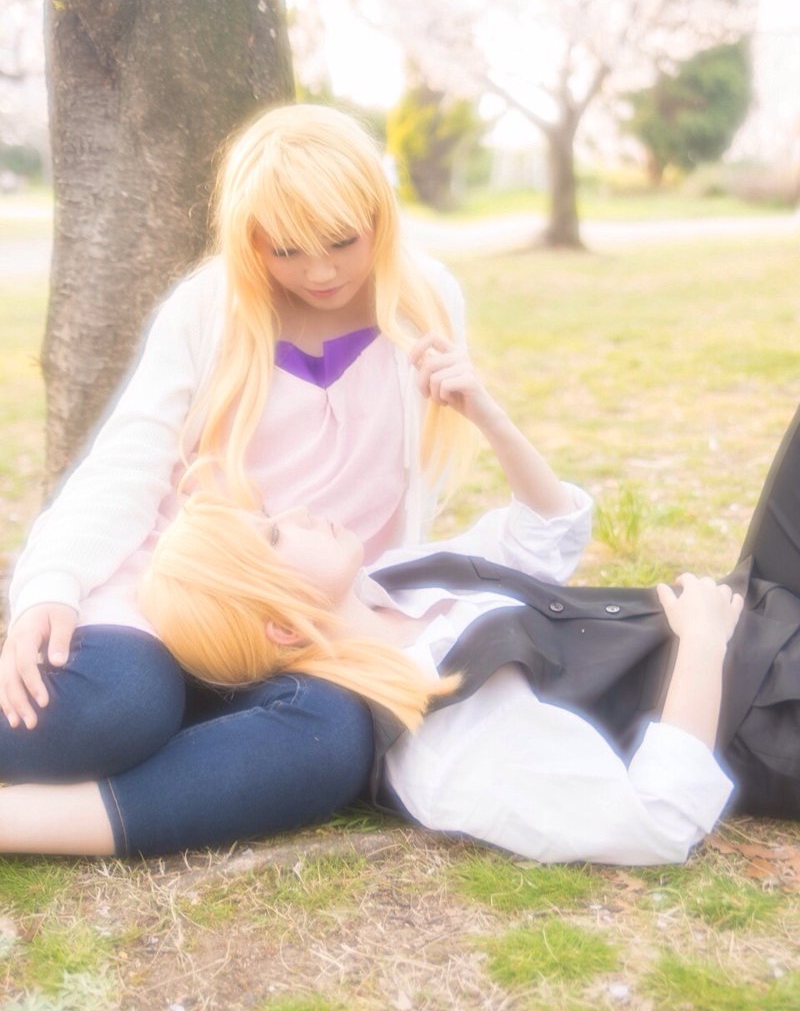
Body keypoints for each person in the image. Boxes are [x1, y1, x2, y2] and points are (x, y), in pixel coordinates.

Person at [0, 103, 472, 856]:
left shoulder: (428, 301)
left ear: (380, 218)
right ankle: (164, 719)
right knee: (116, 706)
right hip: (172, 595)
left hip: (305, 621)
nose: (320, 271)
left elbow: (415, 486)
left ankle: (26, 822)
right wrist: (51, 584)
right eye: (287, 250)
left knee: (332, 740)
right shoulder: (208, 307)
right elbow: (129, 459)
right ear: (250, 239)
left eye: (342, 241)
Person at [137, 338, 800, 866]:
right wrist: (703, 644)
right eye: (276, 535)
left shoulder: (393, 583)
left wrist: (484, 412)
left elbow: (546, 534)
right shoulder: (441, 742)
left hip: (758, 604)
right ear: (282, 627)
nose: (301, 513)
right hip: (770, 708)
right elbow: (658, 823)